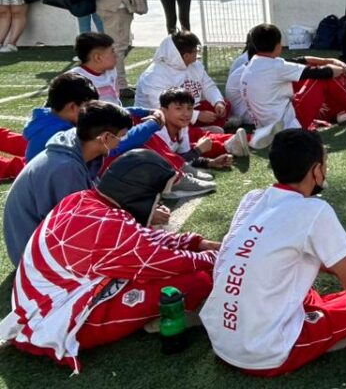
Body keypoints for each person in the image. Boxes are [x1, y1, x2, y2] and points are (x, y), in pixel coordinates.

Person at [0, 150, 219, 372]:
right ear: (140, 193)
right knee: (197, 280)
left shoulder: (82, 199)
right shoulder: (109, 225)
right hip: (58, 322)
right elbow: (163, 261)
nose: (158, 202)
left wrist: (196, 242)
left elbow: (143, 240)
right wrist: (216, 257)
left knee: (167, 273)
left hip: (42, 306)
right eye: (157, 196)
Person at [201, 129, 346, 376]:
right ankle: (323, 332)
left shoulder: (253, 198)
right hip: (265, 355)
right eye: (325, 163)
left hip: (221, 338)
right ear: (316, 170)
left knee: (303, 289)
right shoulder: (315, 210)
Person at [3, 101, 134, 264]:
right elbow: (77, 228)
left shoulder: (78, 145)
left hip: (39, 241)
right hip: (33, 260)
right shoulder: (66, 168)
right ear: (106, 137)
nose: (121, 142)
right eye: (122, 136)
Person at [240, 23, 346, 149]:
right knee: (322, 79)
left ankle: (342, 111)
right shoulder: (276, 66)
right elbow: (323, 73)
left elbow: (297, 61)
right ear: (278, 46)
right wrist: (343, 70)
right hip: (289, 125)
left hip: (267, 124)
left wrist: (328, 61)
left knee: (304, 80)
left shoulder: (253, 65)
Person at [23, 72, 162, 163]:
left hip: (63, 180)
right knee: (129, 151)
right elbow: (114, 145)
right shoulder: (65, 134)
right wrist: (153, 123)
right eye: (89, 106)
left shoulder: (53, 117)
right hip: (59, 190)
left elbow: (108, 113)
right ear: (73, 107)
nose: (93, 109)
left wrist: (146, 112)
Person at [142, 87, 248, 192]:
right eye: (178, 108)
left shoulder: (182, 127)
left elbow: (182, 158)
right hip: (143, 173)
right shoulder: (157, 131)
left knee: (225, 105)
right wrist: (198, 150)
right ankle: (174, 184)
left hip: (156, 166)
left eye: (189, 108)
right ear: (163, 111)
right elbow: (169, 164)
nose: (186, 113)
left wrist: (210, 162)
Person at [134, 31, 231, 128]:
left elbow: (208, 85)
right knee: (170, 125)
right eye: (195, 51)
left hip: (186, 110)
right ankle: (198, 132)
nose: (197, 53)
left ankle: (199, 131)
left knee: (224, 106)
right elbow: (164, 108)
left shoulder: (195, 65)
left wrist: (217, 102)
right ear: (186, 56)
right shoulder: (154, 75)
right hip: (160, 118)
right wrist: (196, 115)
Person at [70, 32, 125, 104]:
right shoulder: (73, 79)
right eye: (112, 51)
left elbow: (116, 98)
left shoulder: (111, 71)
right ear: (98, 58)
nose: (116, 55)